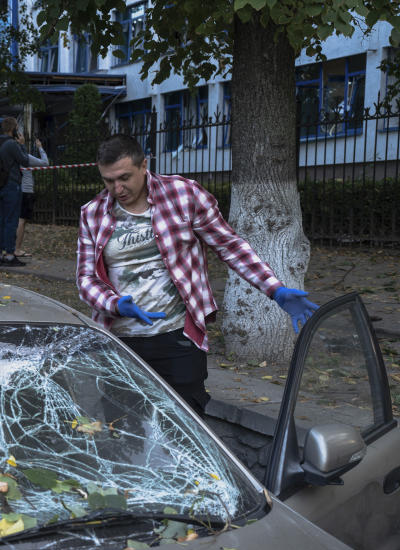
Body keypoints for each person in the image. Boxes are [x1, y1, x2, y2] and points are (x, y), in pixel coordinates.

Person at [76, 134, 318, 415]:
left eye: (125, 177)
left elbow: (229, 246)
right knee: (124, 426)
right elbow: (85, 279)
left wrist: (274, 289)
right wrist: (114, 304)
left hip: (177, 337)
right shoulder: (92, 213)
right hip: (120, 341)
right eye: (108, 180)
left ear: (144, 165)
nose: (117, 188)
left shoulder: (184, 194)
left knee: (187, 427)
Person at [0, 116, 31, 267]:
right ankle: (9, 255)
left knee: (0, 220)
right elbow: (25, 160)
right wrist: (22, 145)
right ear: (13, 129)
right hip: (11, 185)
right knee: (11, 221)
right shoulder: (11, 144)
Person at [15, 133, 48, 258]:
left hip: (14, 190)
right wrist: (40, 147)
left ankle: (8, 248)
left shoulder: (9, 157)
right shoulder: (24, 157)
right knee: (21, 221)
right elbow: (45, 163)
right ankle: (17, 249)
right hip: (26, 191)